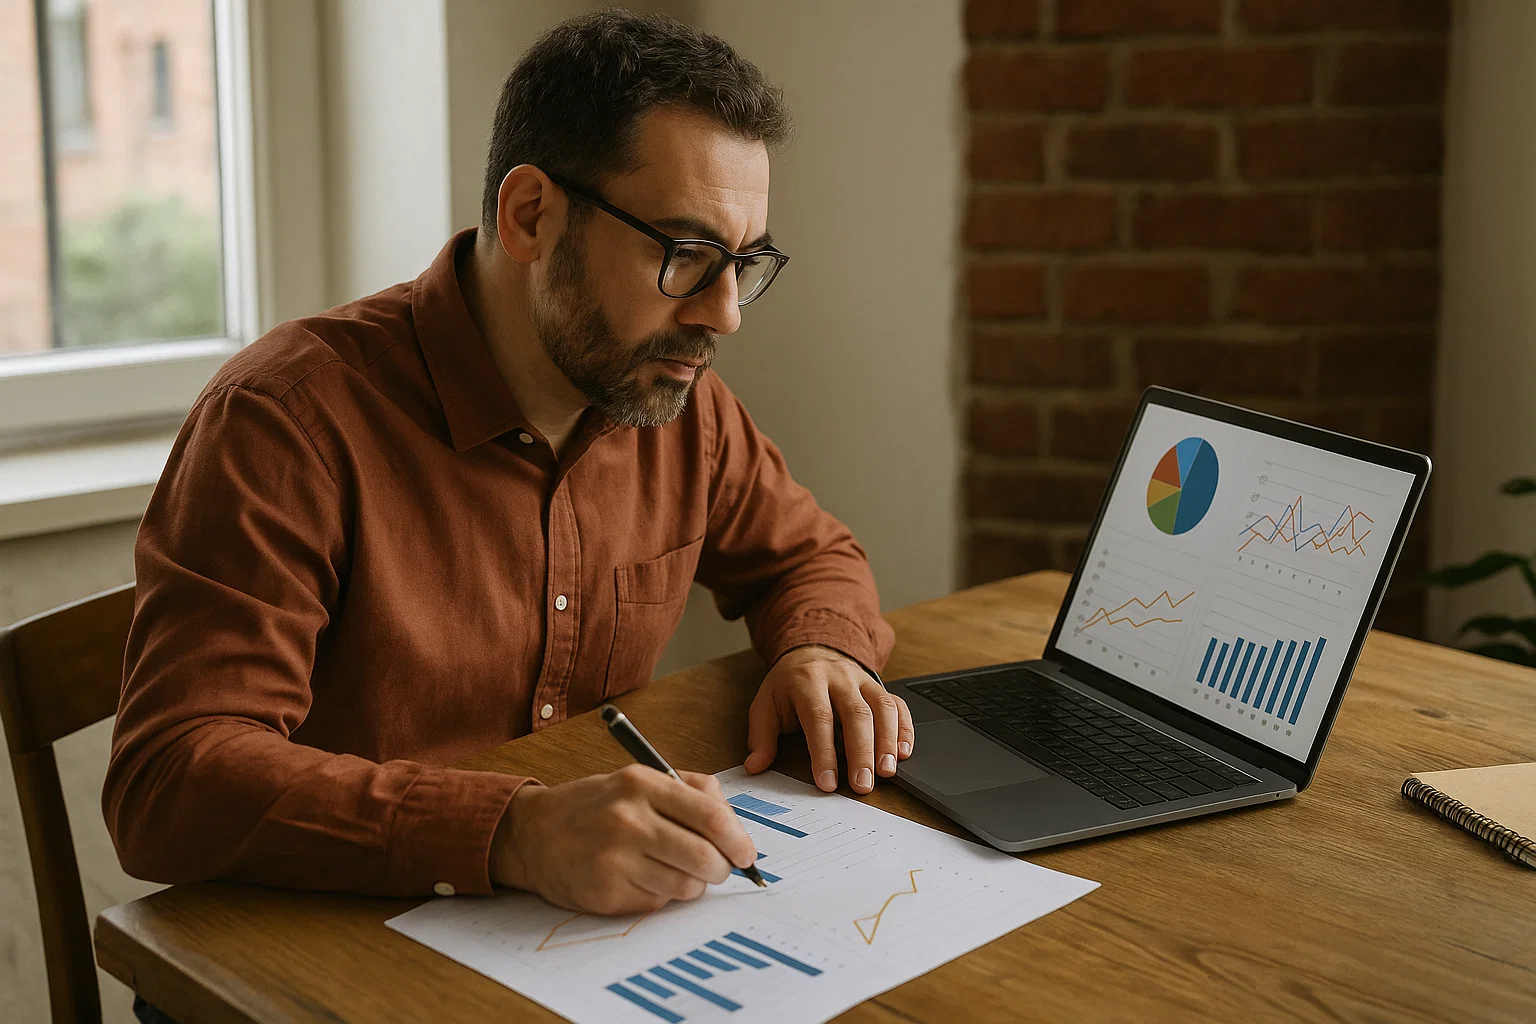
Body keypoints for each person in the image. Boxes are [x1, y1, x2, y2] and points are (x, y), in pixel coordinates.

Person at [104, 10, 912, 924]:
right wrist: (514, 831)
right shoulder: (285, 424)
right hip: (322, 952)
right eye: (687, 256)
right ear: (530, 215)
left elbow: (812, 558)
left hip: (562, 941)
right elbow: (168, 781)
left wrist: (821, 649)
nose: (724, 315)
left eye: (743, 262)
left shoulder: (673, 404)